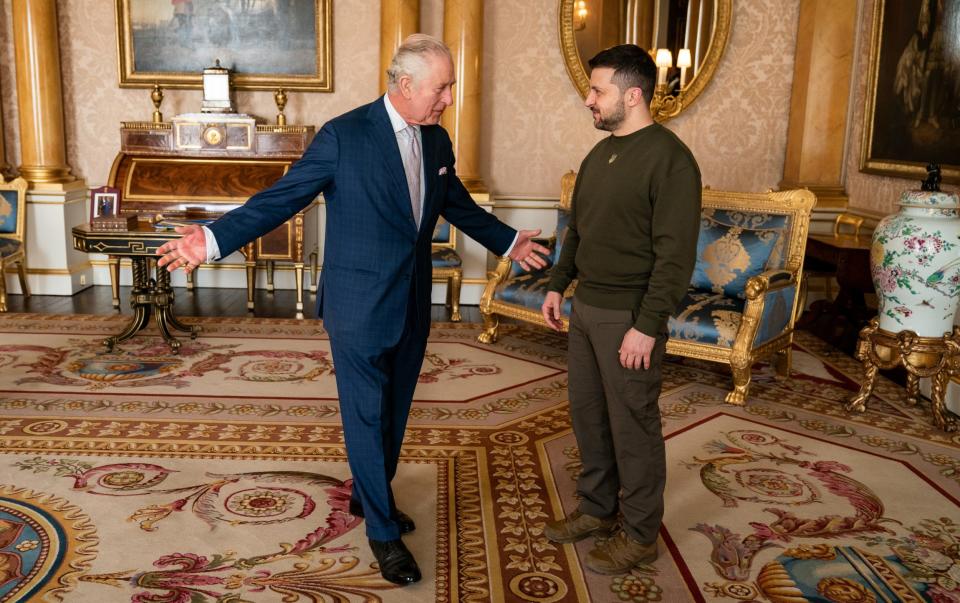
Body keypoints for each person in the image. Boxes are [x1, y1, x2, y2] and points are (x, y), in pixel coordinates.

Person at [156, 34, 549, 586]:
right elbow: (281, 198)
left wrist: (509, 241)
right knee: (365, 416)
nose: (450, 98)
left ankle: (372, 497)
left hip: (412, 297)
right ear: (405, 85)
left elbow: (453, 201)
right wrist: (214, 240)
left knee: (394, 411)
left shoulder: (436, 141)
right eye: (442, 87)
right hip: (358, 304)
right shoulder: (344, 135)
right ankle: (382, 534)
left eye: (451, 86)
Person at [540, 44, 701, 574]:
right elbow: (578, 231)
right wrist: (558, 285)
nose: (588, 100)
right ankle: (596, 509)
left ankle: (638, 533)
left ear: (633, 95)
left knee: (633, 426)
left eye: (597, 90)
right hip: (587, 309)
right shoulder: (598, 154)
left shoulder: (671, 160)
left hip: (629, 316)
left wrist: (647, 326)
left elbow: (675, 258)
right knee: (590, 419)